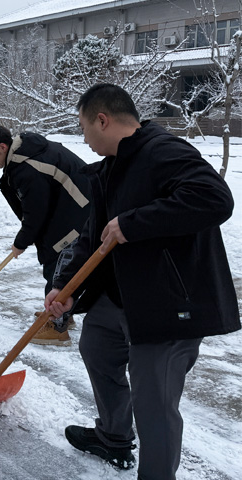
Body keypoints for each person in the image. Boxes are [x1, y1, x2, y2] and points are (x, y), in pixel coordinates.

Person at [45, 83, 239, 478]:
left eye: (84, 128)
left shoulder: (164, 151)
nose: (83, 138)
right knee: (96, 349)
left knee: (154, 405)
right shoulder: (112, 166)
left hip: (167, 305)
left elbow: (216, 199)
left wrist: (132, 224)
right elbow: (94, 235)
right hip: (120, 297)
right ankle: (114, 436)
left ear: (103, 119)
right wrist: (63, 286)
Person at [0, 125, 91, 346]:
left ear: (2, 146)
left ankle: (57, 326)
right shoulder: (25, 155)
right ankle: (66, 312)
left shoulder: (27, 167)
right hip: (70, 210)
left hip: (79, 214)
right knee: (57, 262)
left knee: (60, 266)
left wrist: (21, 242)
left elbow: (35, 212)